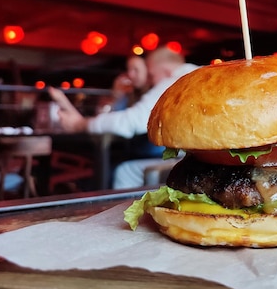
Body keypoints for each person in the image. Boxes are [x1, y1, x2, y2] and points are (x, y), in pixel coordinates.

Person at [48, 46, 198, 187]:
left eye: (150, 74)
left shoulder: (174, 81)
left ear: (164, 71)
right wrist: (116, 97)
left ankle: (123, 214)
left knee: (123, 172)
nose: (151, 80)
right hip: (188, 157)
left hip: (184, 159)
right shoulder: (197, 76)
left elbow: (130, 122)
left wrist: (81, 124)